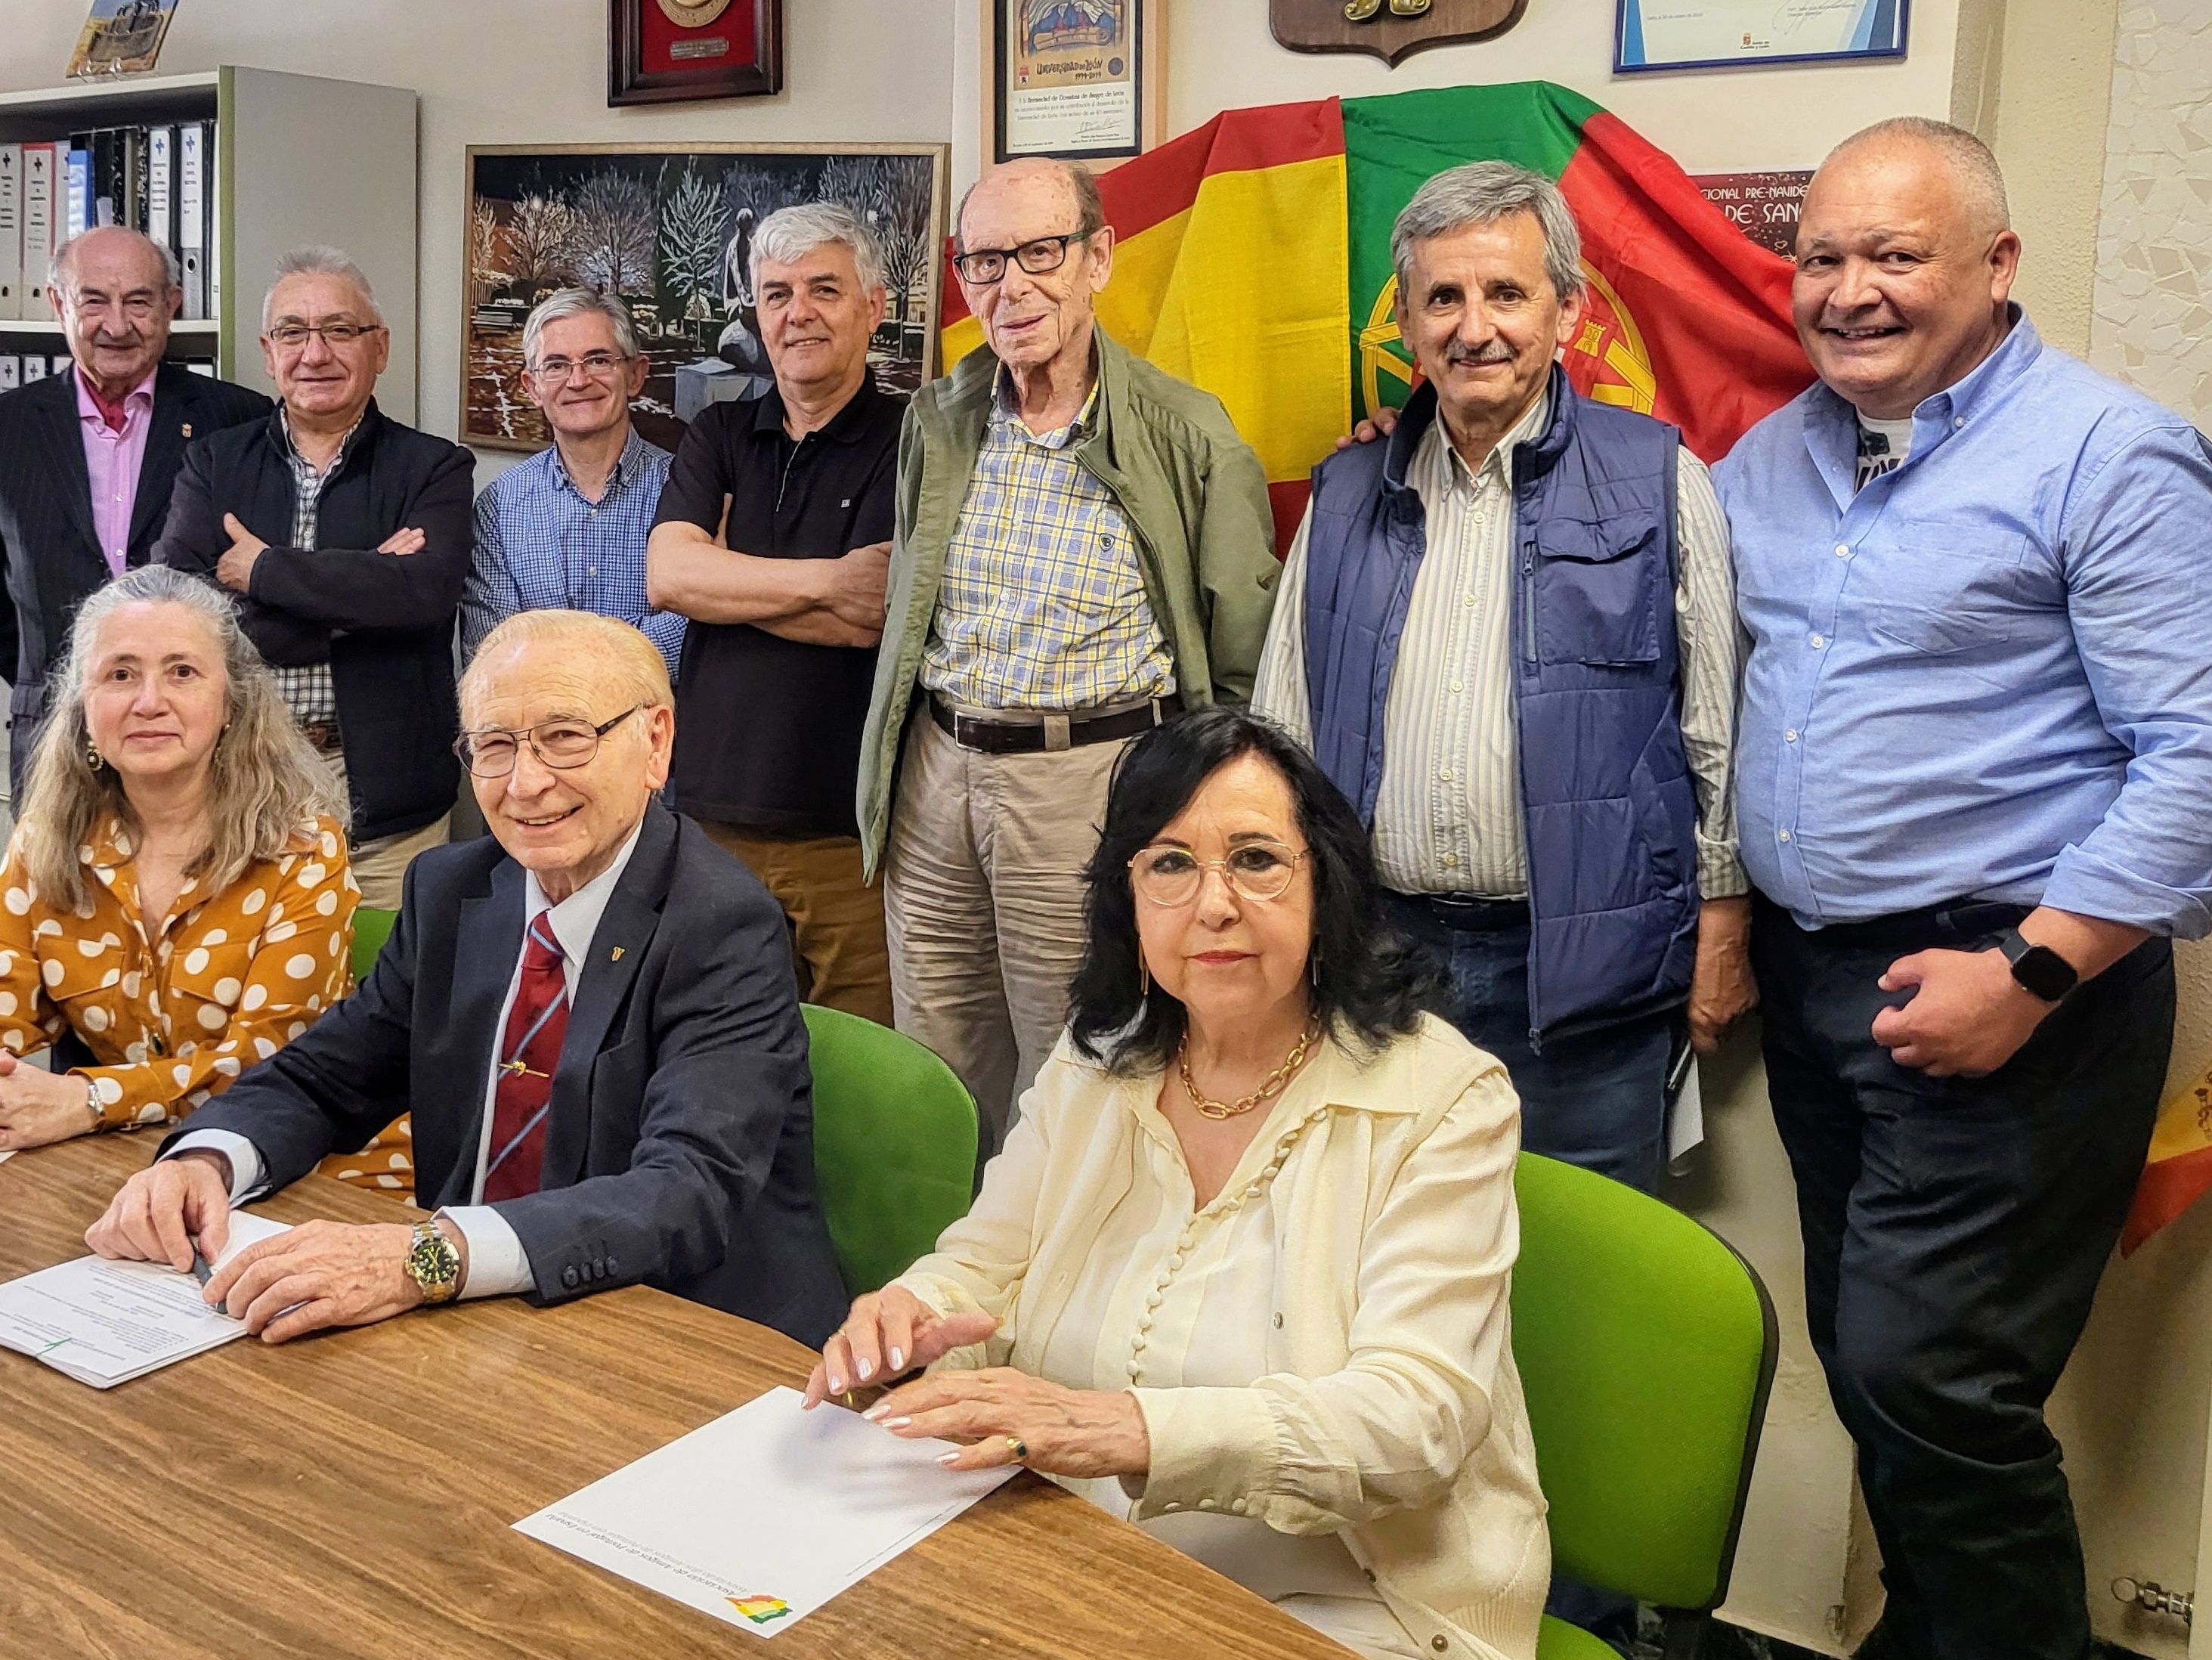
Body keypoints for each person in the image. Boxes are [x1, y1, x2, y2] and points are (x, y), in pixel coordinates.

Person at [1715, 117, 2212, 1660]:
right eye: (1819, 257)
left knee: (1927, 1377)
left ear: (1993, 268)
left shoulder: (2102, 454)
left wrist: (2031, 971)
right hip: (1816, 988)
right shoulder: (1769, 456)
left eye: (1892, 256)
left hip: (2013, 991)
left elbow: (2195, 747)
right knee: (1878, 1374)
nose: (1846, 292)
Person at [808, 707, 1574, 1660]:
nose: (1211, 903)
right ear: (1126, 901)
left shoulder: (1439, 1099)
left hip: (1348, 1610)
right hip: (1077, 1560)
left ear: (1323, 889)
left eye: (1254, 859)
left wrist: (1125, 1429)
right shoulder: (1094, 1062)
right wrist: (910, 1321)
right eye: (1168, 865)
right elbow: (979, 1269)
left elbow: (1412, 1424)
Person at [85, 609, 849, 1349]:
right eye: (494, 745)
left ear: (656, 743)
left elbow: (683, 1190)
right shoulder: (451, 891)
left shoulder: (723, 923)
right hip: (485, 1323)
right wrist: (205, 1159)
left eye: (564, 738)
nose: (524, 783)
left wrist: (426, 1258)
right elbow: (326, 1079)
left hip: (684, 1333)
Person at [1256, 160, 1752, 1194]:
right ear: (1403, 322)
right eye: (1441, 296)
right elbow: (1281, 735)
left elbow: (1717, 737)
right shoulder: (1345, 492)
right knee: (1375, 1266)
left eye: (1505, 293)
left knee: (1582, 1283)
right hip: (1380, 967)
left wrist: (1720, 927)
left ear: (1565, 312)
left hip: (1587, 982)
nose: (1471, 326)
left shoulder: (1658, 479)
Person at [859, 155, 1281, 1146]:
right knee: (935, 1070)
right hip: (937, 775)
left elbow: (1239, 668)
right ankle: (953, 1287)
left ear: (1097, 257)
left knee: (1079, 1078)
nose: (1011, 286)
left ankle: (1062, 1300)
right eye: (984, 262)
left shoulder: (1188, 434)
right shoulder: (940, 416)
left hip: (1086, 784)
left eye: (1039, 252)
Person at [0, 566, 356, 1148]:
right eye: (120, 674)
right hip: (122, 1157)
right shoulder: (52, 837)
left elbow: (266, 1069)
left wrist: (88, 1099)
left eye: (182, 673)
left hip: (294, 1161)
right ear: (85, 707)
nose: (148, 702)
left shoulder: (303, 849)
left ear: (231, 704)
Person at [645, 202, 905, 1026]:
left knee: (861, 1086)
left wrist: (728, 583)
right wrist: (827, 579)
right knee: (719, 1056)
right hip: (711, 825)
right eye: (776, 292)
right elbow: (667, 577)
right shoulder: (719, 431)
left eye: (824, 289)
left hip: (852, 840)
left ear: (874, 305)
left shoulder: (916, 441)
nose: (798, 313)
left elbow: (876, 615)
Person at [154, 247, 472, 911]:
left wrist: (262, 570)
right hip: (242, 788)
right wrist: (361, 592)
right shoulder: (213, 463)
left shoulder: (434, 467)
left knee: (388, 996)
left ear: (379, 347)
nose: (316, 353)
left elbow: (423, 596)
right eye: (294, 333)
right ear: (269, 354)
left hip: (388, 802)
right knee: (251, 999)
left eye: (339, 330)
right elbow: (180, 616)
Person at [0, 225, 268, 791]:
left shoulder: (239, 420)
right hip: (55, 740)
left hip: (200, 748)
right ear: (57, 304)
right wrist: (78, 686)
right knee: (57, 883)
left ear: (172, 305)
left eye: (138, 301)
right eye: (93, 300)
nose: (116, 325)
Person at [463, 288, 685, 674]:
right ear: (532, 388)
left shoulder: (687, 490)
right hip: (534, 730)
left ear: (635, 375)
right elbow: (494, 656)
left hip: (659, 729)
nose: (578, 380)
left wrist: (571, 674)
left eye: (598, 360)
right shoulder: (499, 506)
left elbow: (693, 632)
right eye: (556, 365)